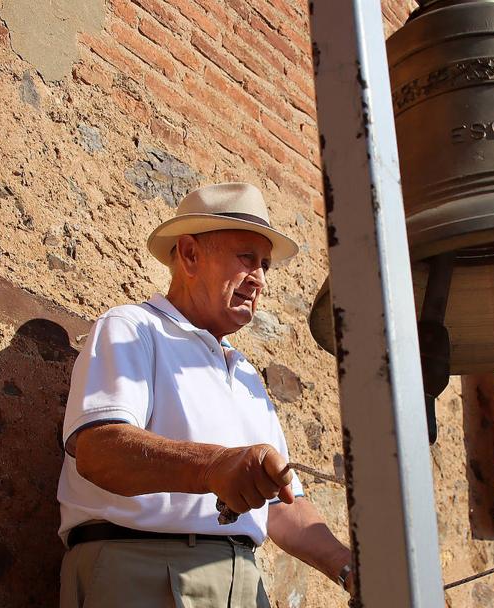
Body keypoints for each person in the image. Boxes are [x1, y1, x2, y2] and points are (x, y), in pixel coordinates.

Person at [56, 183, 353, 607]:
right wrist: (214, 466)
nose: (260, 280)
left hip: (244, 585)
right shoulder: (132, 328)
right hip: (142, 574)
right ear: (191, 254)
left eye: (266, 265)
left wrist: (350, 568)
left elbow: (283, 505)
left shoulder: (248, 374)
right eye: (247, 259)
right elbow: (100, 451)